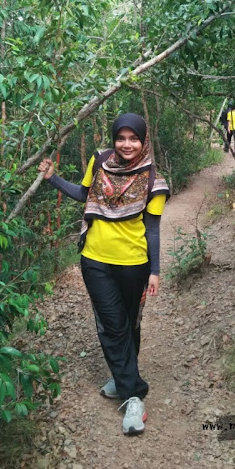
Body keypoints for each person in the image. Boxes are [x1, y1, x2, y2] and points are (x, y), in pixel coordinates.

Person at [38, 113, 170, 435]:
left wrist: (155, 271)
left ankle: (123, 376)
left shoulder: (154, 180)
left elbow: (152, 229)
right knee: (112, 324)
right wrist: (53, 178)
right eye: (121, 138)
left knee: (130, 322)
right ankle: (133, 396)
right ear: (114, 139)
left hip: (134, 263)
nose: (126, 144)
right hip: (94, 259)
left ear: (143, 141)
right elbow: (84, 195)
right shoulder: (99, 161)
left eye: (133, 138)